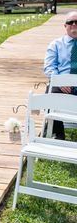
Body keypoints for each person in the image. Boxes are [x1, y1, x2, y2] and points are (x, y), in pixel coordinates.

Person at [43, 11, 77, 140]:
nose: (74, 24)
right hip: (63, 86)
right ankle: (58, 134)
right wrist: (60, 82)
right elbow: (49, 67)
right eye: (70, 22)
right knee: (51, 90)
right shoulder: (56, 44)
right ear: (65, 26)